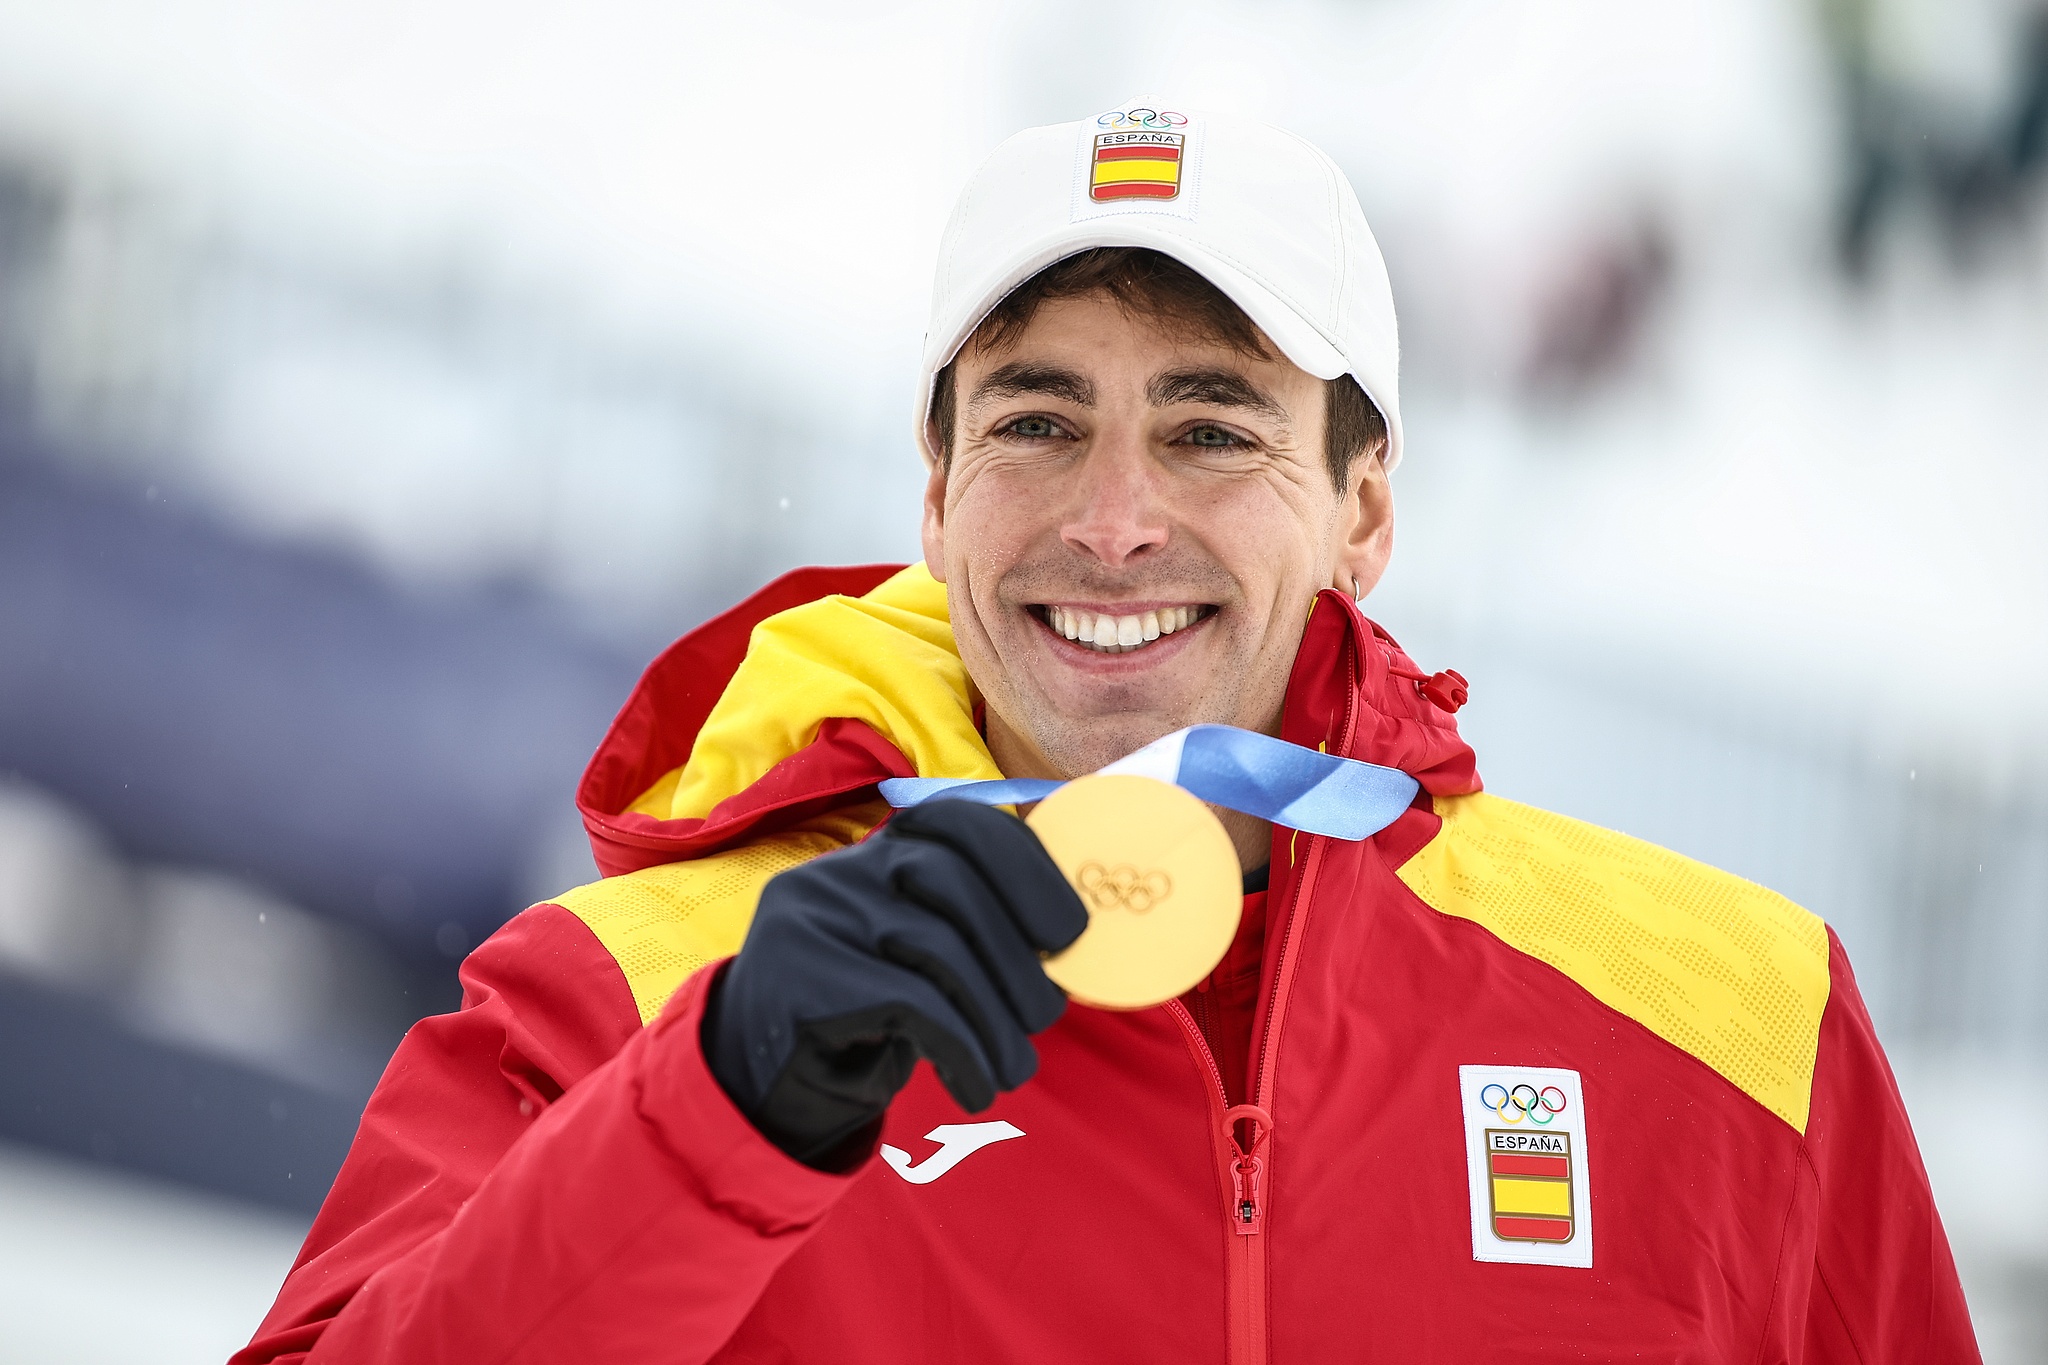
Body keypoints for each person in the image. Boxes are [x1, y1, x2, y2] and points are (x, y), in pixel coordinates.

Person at [237, 101, 1979, 1364]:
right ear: (937, 490)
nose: (1116, 517)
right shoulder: (624, 996)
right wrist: (714, 1117)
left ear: (1366, 508)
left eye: (1214, 427)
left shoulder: (1745, 1023)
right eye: (1039, 420)